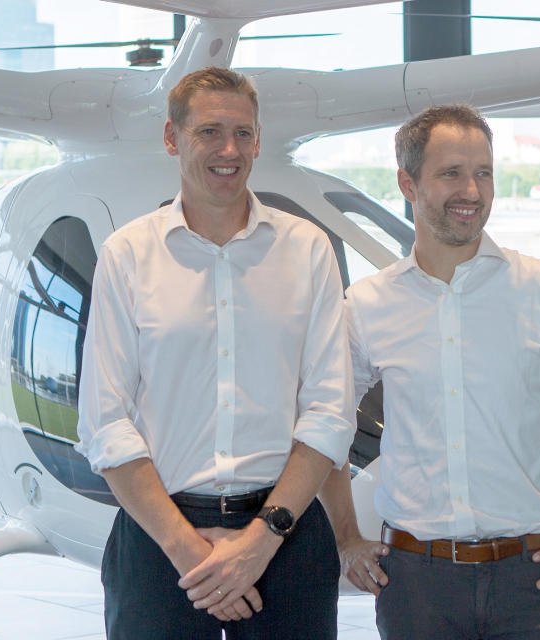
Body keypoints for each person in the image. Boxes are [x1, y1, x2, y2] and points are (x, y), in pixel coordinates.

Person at [319, 104, 540, 640]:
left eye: (483, 173)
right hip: (415, 586)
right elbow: (326, 426)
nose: (471, 191)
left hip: (537, 582)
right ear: (407, 182)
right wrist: (347, 539)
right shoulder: (368, 304)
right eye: (451, 173)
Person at [76, 66, 355, 639]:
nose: (229, 150)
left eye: (243, 133)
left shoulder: (307, 251)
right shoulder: (127, 254)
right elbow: (105, 422)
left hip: (286, 531)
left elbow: (329, 413)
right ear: (172, 138)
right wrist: (191, 555)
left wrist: (260, 542)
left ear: (257, 139)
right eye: (209, 131)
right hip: (159, 539)